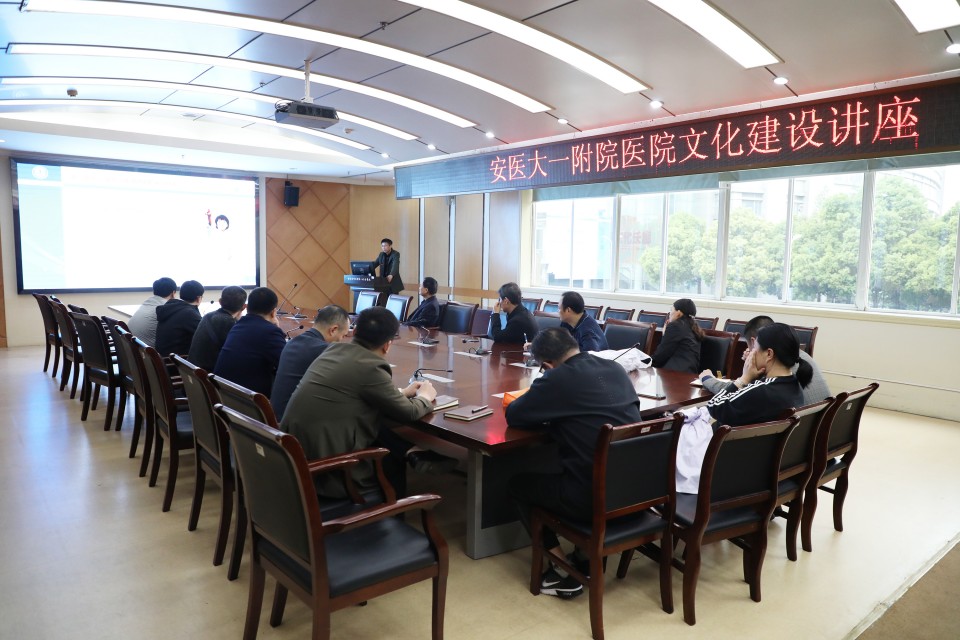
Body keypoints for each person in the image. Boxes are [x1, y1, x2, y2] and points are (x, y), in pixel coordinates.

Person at [506, 328, 642, 599]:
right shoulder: (615, 369)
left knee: (518, 484)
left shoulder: (557, 378)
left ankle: (560, 568)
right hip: (639, 493)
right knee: (581, 462)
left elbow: (515, 414)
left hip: (593, 501)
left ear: (547, 365)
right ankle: (582, 556)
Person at [281, 306, 441, 499]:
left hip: (293, 458)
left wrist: (402, 393)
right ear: (387, 345)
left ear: (354, 331)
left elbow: (354, 391)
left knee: (379, 430)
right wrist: (425, 396)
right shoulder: (372, 366)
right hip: (325, 473)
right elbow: (409, 413)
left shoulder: (332, 350)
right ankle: (391, 514)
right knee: (391, 459)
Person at [699, 315, 830, 405]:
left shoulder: (774, 381)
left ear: (754, 342)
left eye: (754, 346)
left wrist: (707, 379)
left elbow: (733, 397)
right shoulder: (798, 357)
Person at [702, 322, 813, 426]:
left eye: (755, 347)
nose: (751, 352)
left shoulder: (762, 391)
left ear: (769, 354)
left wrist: (744, 379)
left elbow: (714, 406)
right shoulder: (795, 384)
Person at [270, 304, 350, 421]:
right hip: (289, 425)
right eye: (343, 335)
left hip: (275, 417)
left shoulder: (292, 342)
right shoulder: (324, 351)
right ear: (333, 330)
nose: (341, 340)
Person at [213, 287, 287, 396]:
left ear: (247, 308)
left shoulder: (237, 325)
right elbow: (287, 363)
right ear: (273, 312)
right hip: (248, 400)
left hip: (222, 395)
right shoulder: (270, 332)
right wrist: (276, 328)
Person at [187, 286, 247, 371]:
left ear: (220, 301)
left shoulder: (208, 316)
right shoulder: (229, 323)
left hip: (194, 372)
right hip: (208, 375)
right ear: (244, 307)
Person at [651, 298, 702, 373]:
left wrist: (647, 364)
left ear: (678, 312)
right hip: (690, 372)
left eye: (671, 310)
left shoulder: (675, 326)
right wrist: (665, 334)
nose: (670, 313)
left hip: (676, 373)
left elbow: (662, 354)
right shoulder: (693, 327)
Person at [155, 279, 204, 356]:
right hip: (177, 361)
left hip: (164, 359)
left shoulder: (170, 307)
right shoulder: (189, 313)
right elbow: (206, 334)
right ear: (198, 298)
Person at [127, 277, 177, 346]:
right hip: (148, 350)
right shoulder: (166, 308)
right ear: (173, 293)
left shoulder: (147, 303)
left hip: (133, 347)